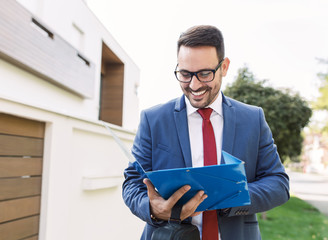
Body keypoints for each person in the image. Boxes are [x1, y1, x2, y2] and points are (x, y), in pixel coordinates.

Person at [123, 25, 289, 240]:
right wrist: (154, 208)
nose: (194, 85)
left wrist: (229, 196)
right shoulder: (153, 120)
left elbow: (278, 183)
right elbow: (132, 182)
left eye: (204, 74)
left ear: (224, 67)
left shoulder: (252, 119)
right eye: (185, 74)